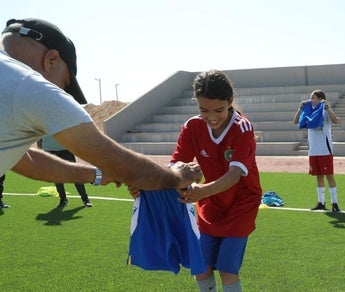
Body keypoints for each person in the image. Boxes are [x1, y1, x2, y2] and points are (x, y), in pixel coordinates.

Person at [1, 18, 201, 191]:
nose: (62, 92)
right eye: (65, 83)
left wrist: (96, 174)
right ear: (52, 59)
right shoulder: (33, 87)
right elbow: (120, 163)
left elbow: (26, 160)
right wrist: (176, 176)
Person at [167, 70, 262, 292]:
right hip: (209, 203)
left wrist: (201, 191)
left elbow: (235, 175)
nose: (211, 116)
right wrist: (168, 179)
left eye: (218, 110)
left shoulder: (243, 128)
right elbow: (176, 163)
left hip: (240, 204)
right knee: (201, 267)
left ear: (230, 101)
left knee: (228, 270)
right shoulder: (192, 127)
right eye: (203, 109)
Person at [293, 89, 342, 212]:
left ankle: (335, 203)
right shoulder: (309, 112)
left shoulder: (325, 112)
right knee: (318, 176)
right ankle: (321, 202)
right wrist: (300, 108)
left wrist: (327, 108)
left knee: (329, 175)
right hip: (313, 150)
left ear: (321, 99)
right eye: (311, 98)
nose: (311, 100)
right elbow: (295, 122)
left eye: (314, 98)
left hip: (325, 150)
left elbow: (336, 121)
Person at [38, 134, 92, 207]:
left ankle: (85, 199)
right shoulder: (41, 123)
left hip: (65, 150)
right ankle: (63, 200)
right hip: (49, 151)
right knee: (56, 177)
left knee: (75, 175)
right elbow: (38, 137)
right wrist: (41, 151)